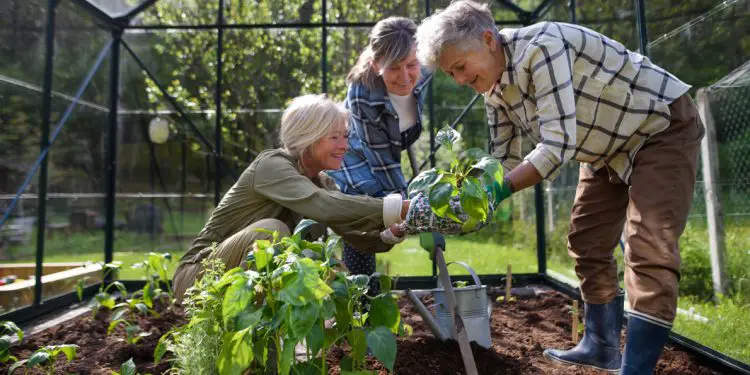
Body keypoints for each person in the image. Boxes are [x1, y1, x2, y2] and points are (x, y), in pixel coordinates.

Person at [415, 2, 704, 374]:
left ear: (488, 40)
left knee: (649, 246)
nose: (457, 79)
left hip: (659, 127)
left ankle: (636, 369)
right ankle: (601, 346)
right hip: (605, 147)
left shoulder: (542, 47)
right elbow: (503, 162)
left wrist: (496, 193)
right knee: (587, 240)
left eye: (459, 67)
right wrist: (469, 197)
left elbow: (556, 146)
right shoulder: (493, 88)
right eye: (449, 73)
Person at [173, 94, 492, 301]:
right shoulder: (272, 166)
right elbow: (322, 206)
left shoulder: (322, 181)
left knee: (288, 246)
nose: (344, 145)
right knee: (272, 230)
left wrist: (401, 227)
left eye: (346, 135)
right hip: (198, 276)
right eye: (334, 137)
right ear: (308, 139)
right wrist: (402, 204)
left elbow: (355, 234)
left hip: (240, 278)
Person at [327, 16, 432, 295]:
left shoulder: (426, 67)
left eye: (411, 64)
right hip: (355, 157)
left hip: (392, 146)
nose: (406, 76)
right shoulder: (363, 91)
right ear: (376, 65)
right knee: (363, 223)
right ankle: (362, 304)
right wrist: (409, 208)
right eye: (394, 68)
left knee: (391, 210)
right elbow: (381, 160)